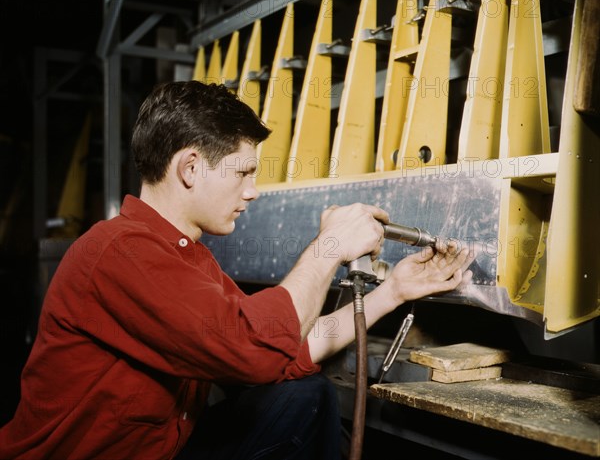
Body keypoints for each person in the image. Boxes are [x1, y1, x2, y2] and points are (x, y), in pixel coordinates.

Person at [0, 81, 472, 460]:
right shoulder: (119, 252)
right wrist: (327, 248)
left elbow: (282, 346)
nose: (252, 191)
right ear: (190, 168)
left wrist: (392, 291)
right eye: (243, 172)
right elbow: (252, 350)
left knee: (304, 396)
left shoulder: (187, 258)